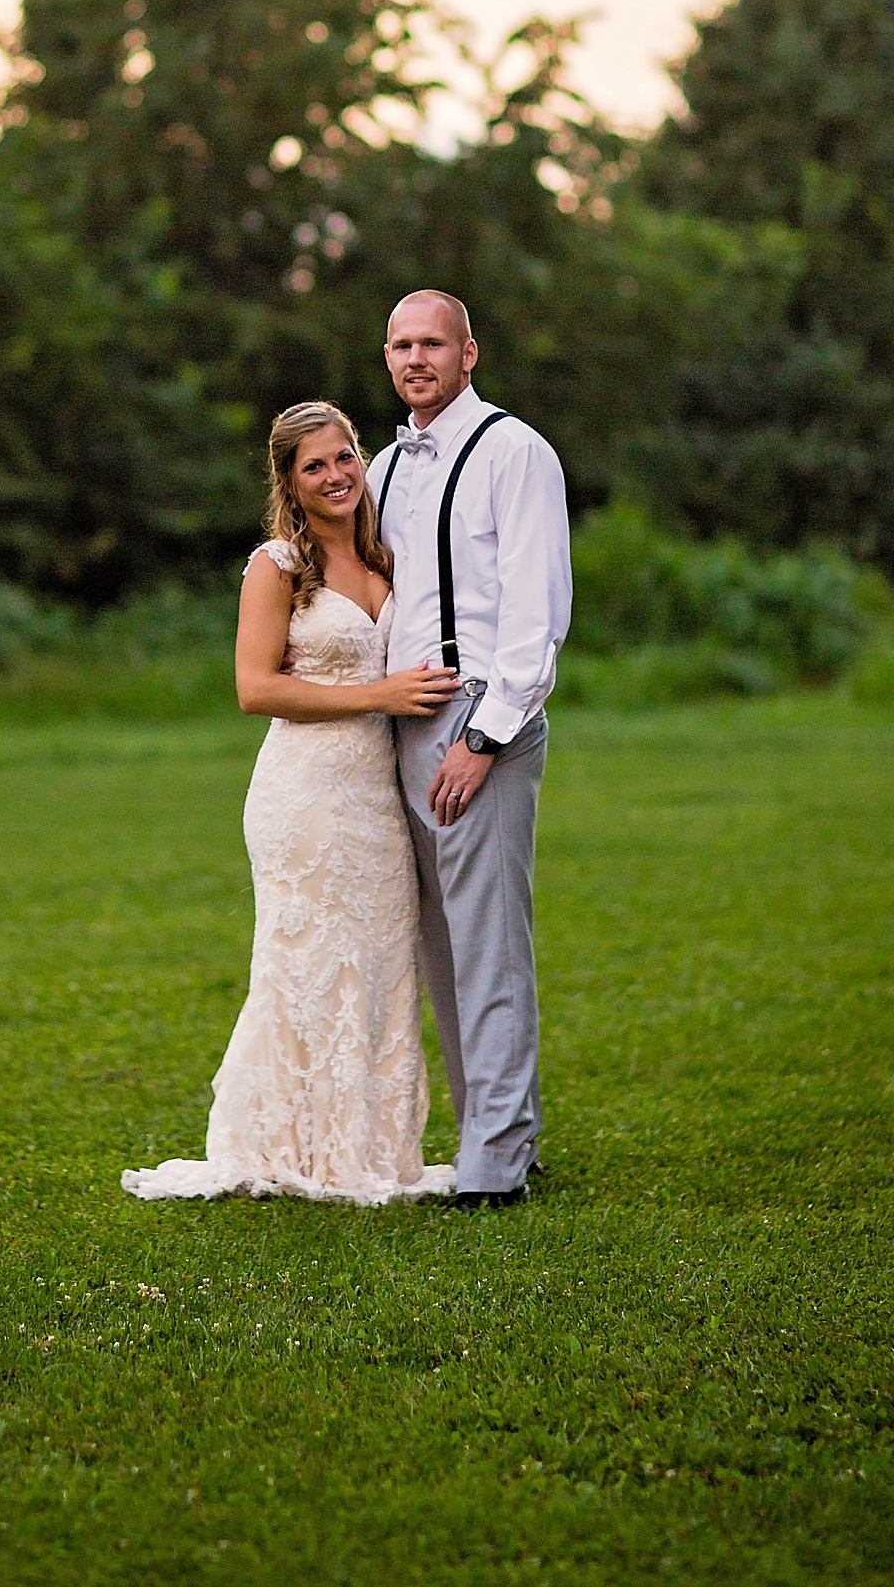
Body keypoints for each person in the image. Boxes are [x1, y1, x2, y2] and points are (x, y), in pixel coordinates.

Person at [121, 400, 461, 1205]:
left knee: (377, 965)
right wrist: (378, 692)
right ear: (290, 481)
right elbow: (254, 687)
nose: (337, 475)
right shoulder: (277, 565)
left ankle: (373, 1149)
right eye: (315, 466)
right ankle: (292, 1147)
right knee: (308, 965)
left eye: (344, 457)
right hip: (304, 794)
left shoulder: (389, 553)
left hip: (377, 794)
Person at [368, 291, 572, 1211]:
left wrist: (483, 738)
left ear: (470, 353)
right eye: (401, 346)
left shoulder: (515, 451)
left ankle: (496, 1164)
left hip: (478, 716)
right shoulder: (382, 467)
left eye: (433, 344)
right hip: (401, 721)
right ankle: (495, 1138)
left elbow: (536, 611)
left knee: (489, 946)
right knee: (441, 952)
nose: (417, 359)